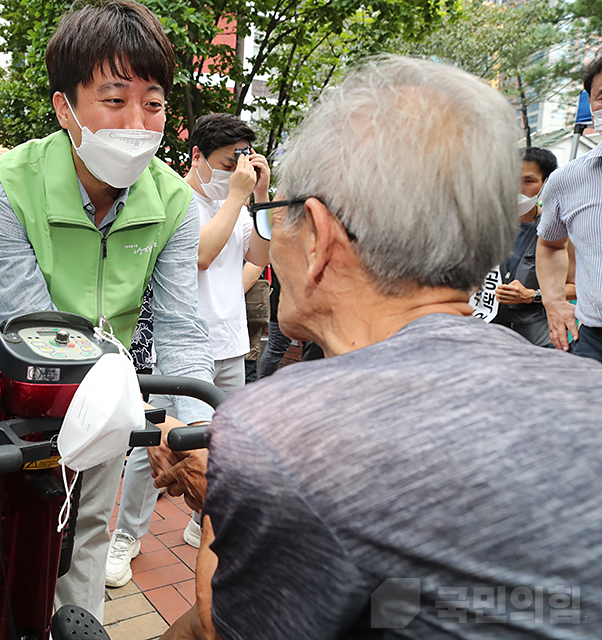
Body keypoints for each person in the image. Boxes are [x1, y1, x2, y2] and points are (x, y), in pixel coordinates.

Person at [156, 56, 602, 639]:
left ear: (318, 236)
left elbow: (223, 624)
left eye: (274, 213)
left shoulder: (278, 429)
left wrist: (237, 497)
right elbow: (479, 604)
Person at [0, 0, 214, 622]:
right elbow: (36, 328)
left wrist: (193, 434)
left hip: (109, 393)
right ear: (65, 107)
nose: (137, 121)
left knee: (88, 538)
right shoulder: (4, 186)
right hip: (14, 390)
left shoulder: (175, 201)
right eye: (114, 98)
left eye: (153, 103)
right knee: (16, 543)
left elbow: (183, 326)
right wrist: (143, 417)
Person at [106, 114, 269, 587]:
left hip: (229, 347)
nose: (234, 172)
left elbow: (260, 258)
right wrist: (238, 196)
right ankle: (127, 535)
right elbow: (199, 255)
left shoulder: (236, 203)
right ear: (196, 156)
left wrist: (257, 198)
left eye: (242, 162)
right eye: (226, 163)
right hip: (174, 353)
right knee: (152, 446)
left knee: (223, 444)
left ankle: (203, 520)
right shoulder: (172, 200)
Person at [536, 55, 602, 362]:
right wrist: (553, 300)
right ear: (591, 103)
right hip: (592, 342)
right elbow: (550, 245)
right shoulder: (567, 180)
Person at [492, 147, 575, 346]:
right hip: (489, 338)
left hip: (536, 341)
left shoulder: (560, 231)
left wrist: (532, 295)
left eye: (528, 181)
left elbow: (577, 287)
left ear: (546, 184)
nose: (518, 189)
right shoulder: (487, 227)